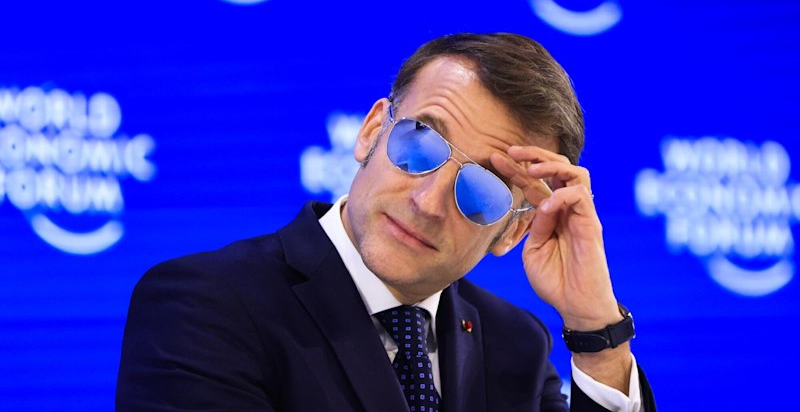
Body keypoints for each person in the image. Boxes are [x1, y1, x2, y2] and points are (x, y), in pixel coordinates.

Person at [117, 33, 656, 411]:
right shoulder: (203, 304)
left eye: (482, 189)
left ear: (513, 230)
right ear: (372, 131)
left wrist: (597, 333)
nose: (427, 201)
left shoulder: (515, 344)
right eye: (420, 144)